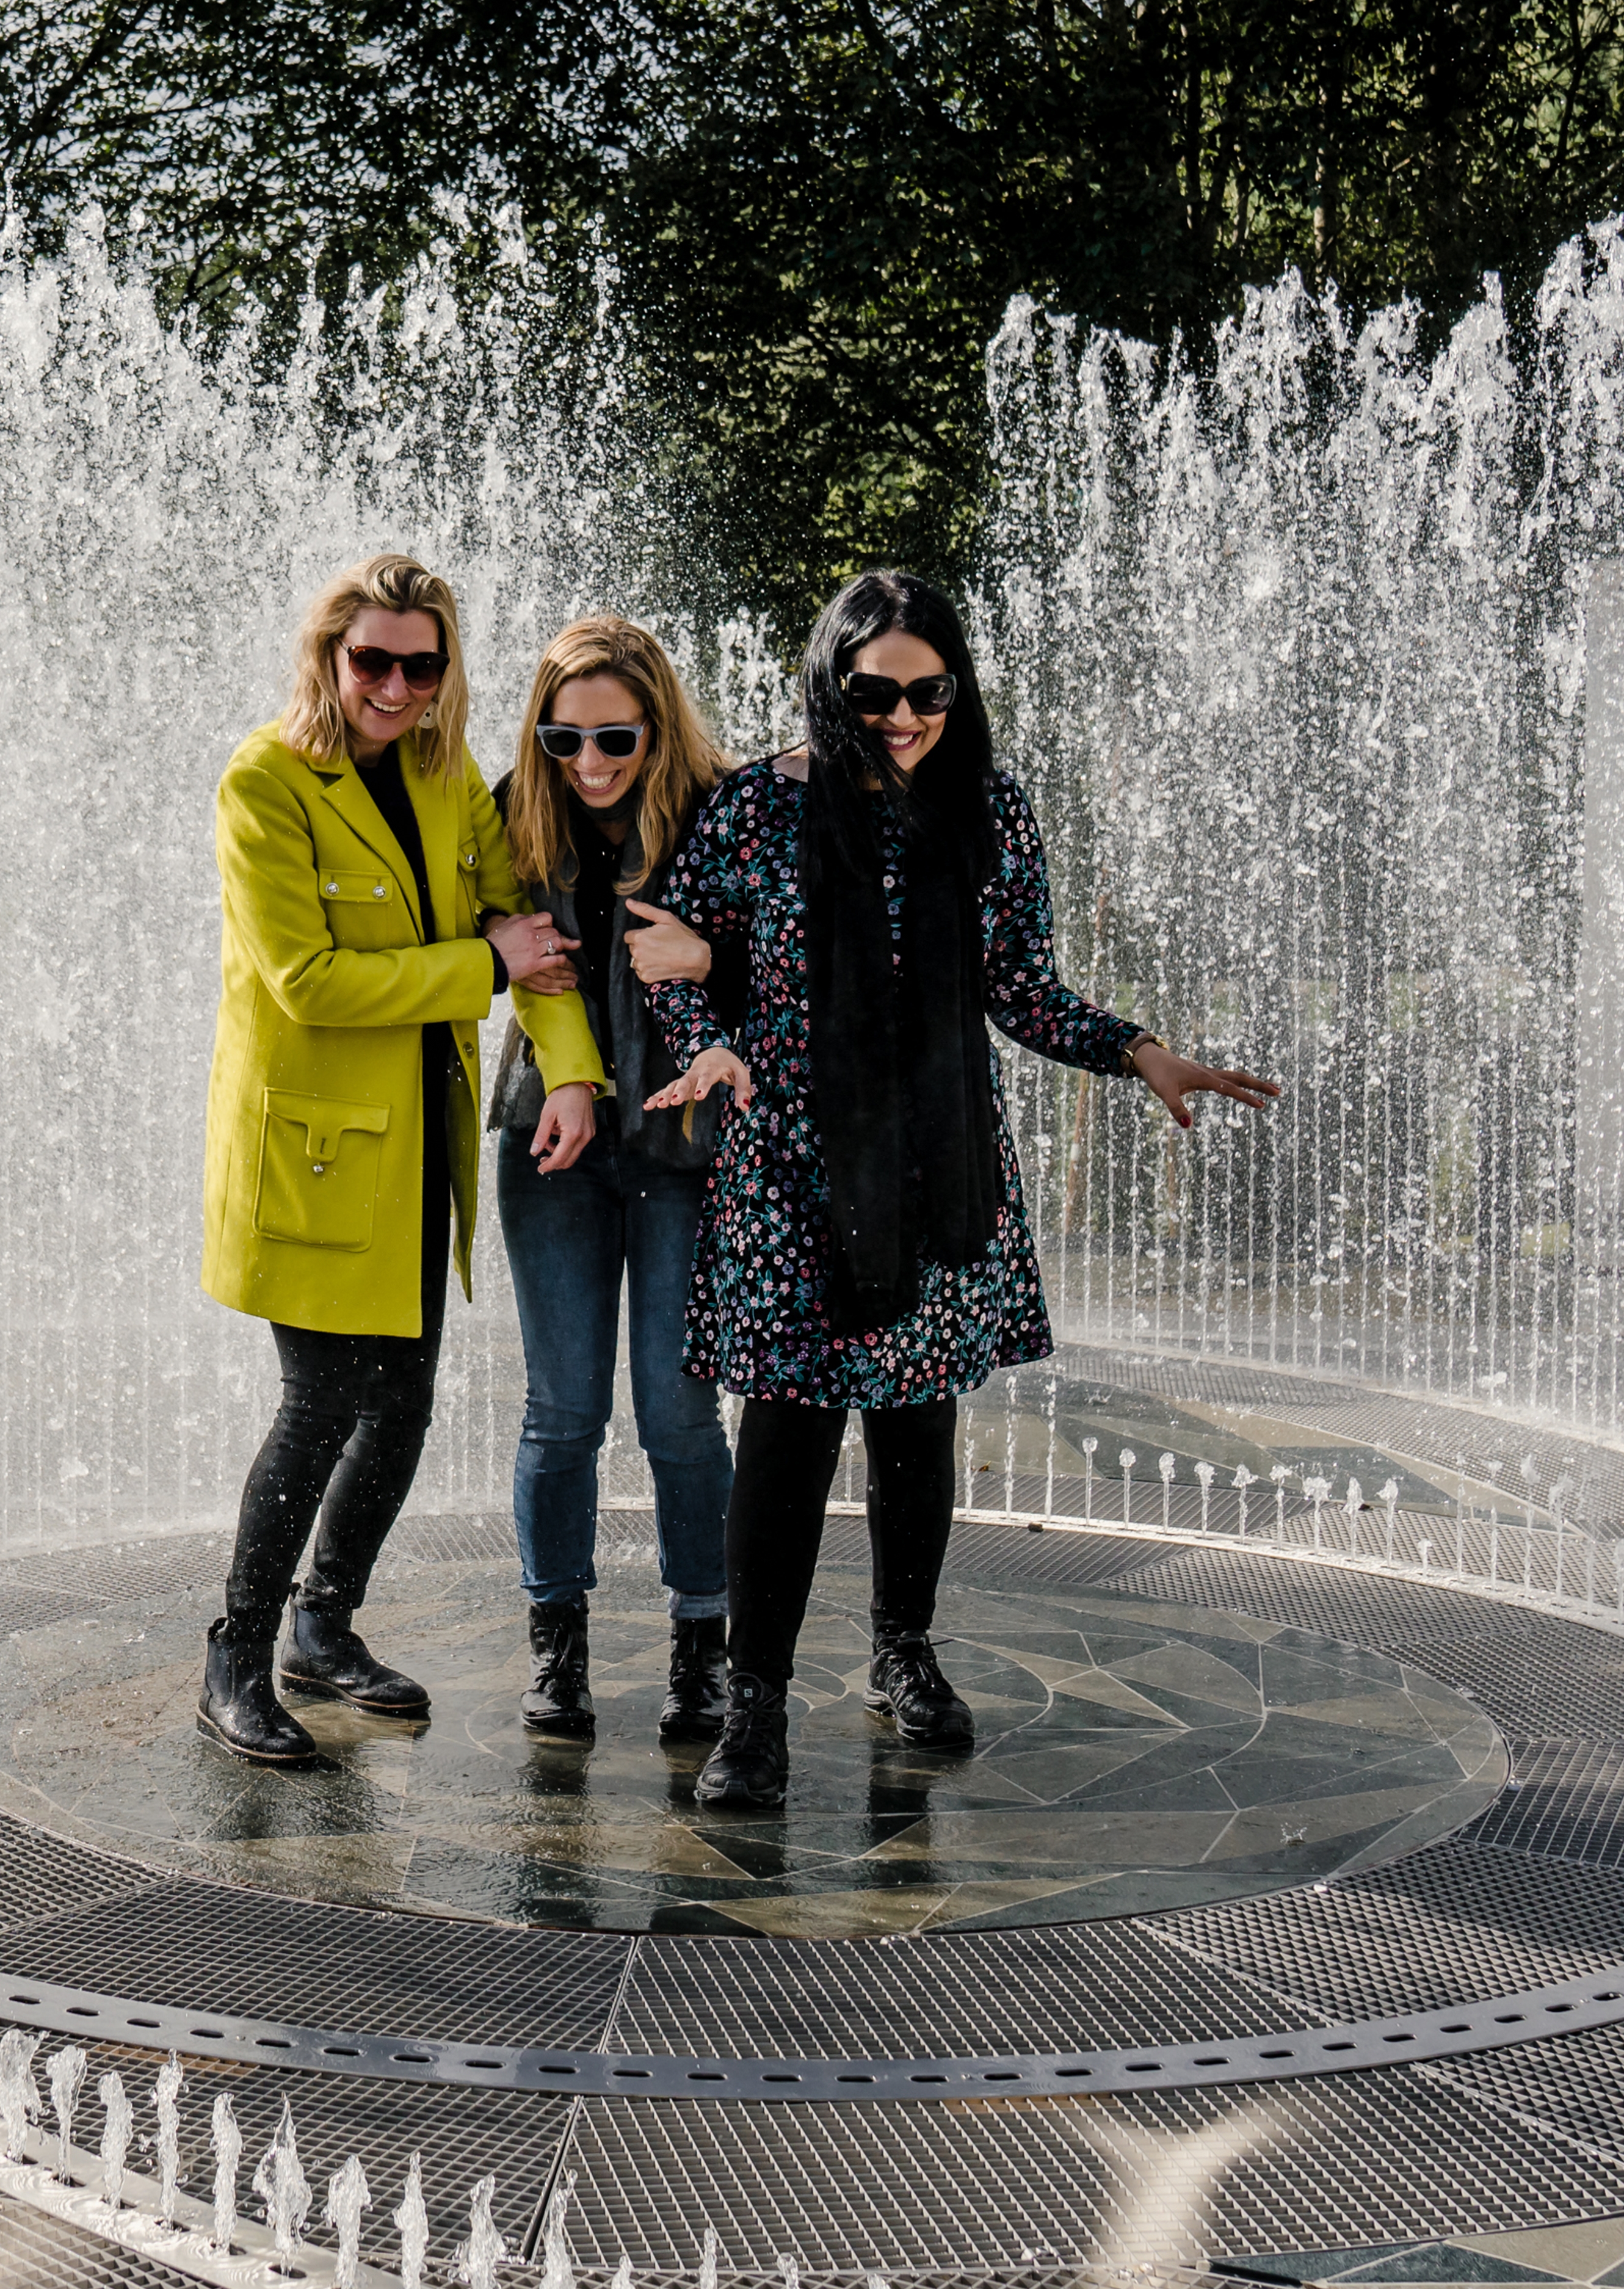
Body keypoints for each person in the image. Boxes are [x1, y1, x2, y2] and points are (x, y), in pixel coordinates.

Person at [643, 569, 1280, 1810]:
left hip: (939, 1155)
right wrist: (702, 1036)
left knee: (915, 1419)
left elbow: (1022, 987)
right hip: (787, 1163)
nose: (901, 714)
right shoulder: (754, 810)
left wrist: (1134, 1047)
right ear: (831, 680)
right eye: (873, 689)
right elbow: (670, 947)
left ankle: (903, 1651)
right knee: (786, 1428)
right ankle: (756, 1708)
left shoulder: (984, 807)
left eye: (928, 690)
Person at [195, 554, 596, 1766]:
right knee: (321, 1403)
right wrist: (482, 967)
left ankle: (324, 1627)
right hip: (313, 1154)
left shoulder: (441, 771)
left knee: (407, 1399)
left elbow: (528, 929)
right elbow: (307, 982)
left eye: (423, 664)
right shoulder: (265, 782)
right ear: (330, 655)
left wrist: (571, 1070)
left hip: (418, 1139)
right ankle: (235, 1654)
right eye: (373, 659)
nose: (397, 686)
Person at [489, 616, 748, 1742]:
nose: (587, 765)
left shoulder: (727, 810)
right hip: (554, 1143)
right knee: (563, 1411)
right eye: (563, 739)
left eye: (614, 740)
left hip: (689, 1150)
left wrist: (717, 959)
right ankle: (558, 1644)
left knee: (681, 1413)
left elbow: (803, 950)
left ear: (660, 723)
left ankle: (705, 1644)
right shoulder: (510, 810)